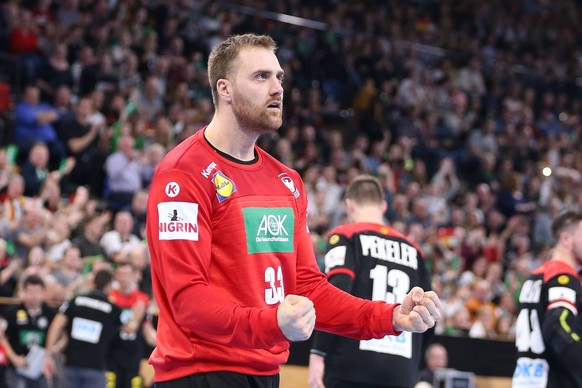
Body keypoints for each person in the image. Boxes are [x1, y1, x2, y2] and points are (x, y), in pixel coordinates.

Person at [145, 33, 441, 387]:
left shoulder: (286, 181)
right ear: (224, 89)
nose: (277, 88)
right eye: (261, 77)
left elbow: (308, 288)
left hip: (266, 374)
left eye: (279, 77)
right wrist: (272, 324)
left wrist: (390, 316)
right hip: (199, 374)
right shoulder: (184, 172)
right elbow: (187, 300)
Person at [308, 175, 433, 388]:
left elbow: (335, 292)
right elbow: (428, 317)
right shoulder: (415, 251)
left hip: (349, 365)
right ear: (383, 206)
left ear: (349, 204)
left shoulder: (344, 235)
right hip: (401, 371)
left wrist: (318, 352)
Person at [512, 209, 582, 387]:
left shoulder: (536, 277)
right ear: (566, 239)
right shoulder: (562, 277)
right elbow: (557, 327)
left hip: (527, 379)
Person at [43, 268, 143, 388]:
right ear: (110, 286)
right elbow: (130, 328)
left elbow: (56, 325)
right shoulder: (112, 309)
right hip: (95, 367)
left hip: (71, 365)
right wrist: (137, 314)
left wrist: (48, 354)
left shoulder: (75, 301)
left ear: (93, 283)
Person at [0, 274, 57, 388]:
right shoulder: (12, 312)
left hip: (41, 368)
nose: (34, 296)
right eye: (30, 291)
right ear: (24, 292)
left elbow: (62, 337)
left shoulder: (51, 313)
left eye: (37, 292)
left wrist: (52, 352)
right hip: (17, 367)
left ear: (43, 292)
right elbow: (2, 337)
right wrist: (14, 358)